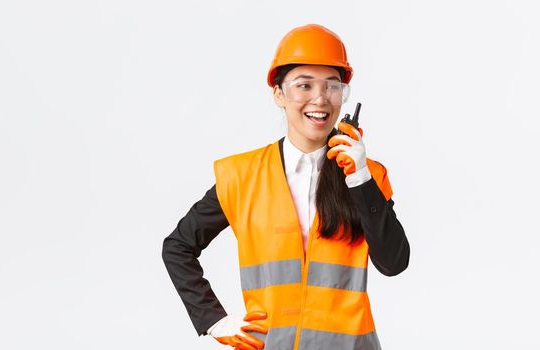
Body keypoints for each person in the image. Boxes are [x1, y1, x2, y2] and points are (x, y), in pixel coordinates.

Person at [161, 24, 410, 350]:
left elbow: (393, 263)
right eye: (304, 85)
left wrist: (360, 178)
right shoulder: (241, 176)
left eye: (332, 86)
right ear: (279, 94)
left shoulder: (368, 176)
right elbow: (177, 247)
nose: (320, 98)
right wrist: (213, 320)